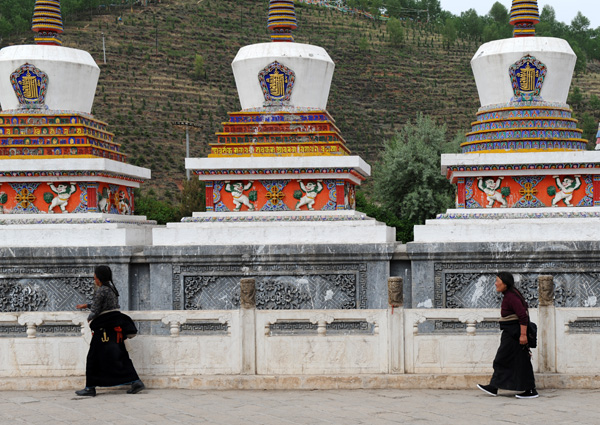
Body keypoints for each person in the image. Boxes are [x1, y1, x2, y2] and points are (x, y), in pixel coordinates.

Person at [75, 265, 145, 397]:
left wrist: (89, 319)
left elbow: (96, 310)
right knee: (120, 356)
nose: (94, 278)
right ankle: (136, 381)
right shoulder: (111, 289)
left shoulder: (101, 290)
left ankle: (90, 387)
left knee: (93, 357)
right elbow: (105, 305)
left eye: (95, 276)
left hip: (103, 331)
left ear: (98, 277)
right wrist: (87, 305)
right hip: (114, 329)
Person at [477, 272, 538, 399]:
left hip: (515, 334)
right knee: (517, 361)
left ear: (505, 283)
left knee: (503, 359)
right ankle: (495, 387)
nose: (495, 283)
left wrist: (523, 336)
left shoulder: (511, 297)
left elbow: (522, 316)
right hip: (511, 333)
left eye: (497, 281)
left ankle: (530, 390)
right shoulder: (510, 294)